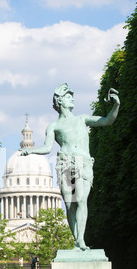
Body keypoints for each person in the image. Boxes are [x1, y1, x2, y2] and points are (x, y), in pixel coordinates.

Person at [21, 84, 120, 250]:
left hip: (82, 162)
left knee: (81, 199)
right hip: (65, 162)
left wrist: (116, 105)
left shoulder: (82, 119)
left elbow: (107, 120)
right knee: (69, 203)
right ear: (59, 101)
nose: (72, 98)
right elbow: (47, 148)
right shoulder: (54, 126)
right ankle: (76, 240)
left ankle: (81, 240)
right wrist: (29, 151)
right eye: (68, 96)